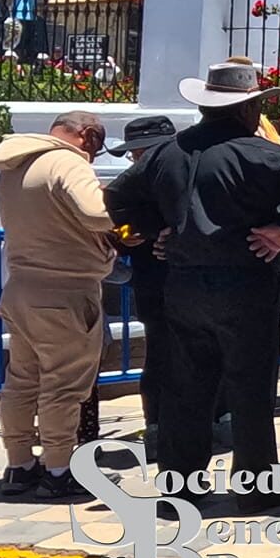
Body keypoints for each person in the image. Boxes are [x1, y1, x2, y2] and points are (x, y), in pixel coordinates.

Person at [104, 62, 280, 508]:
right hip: (246, 284)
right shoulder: (261, 153)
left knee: (185, 389)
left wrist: (157, 228)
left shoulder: (168, 152)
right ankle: (256, 487)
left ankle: (180, 489)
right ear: (247, 108)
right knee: (250, 388)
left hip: (183, 285)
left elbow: (117, 196)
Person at [0, 109, 113, 500]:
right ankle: (58, 470)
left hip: (21, 287)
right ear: (88, 136)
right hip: (65, 291)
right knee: (63, 384)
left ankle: (19, 464)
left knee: (21, 381)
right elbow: (98, 214)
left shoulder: (14, 164)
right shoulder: (67, 161)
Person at [106, 114, 179, 458]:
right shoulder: (130, 185)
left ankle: (214, 421)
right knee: (160, 356)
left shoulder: (185, 174)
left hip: (191, 280)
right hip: (154, 283)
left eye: (141, 152)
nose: (136, 160)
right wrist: (130, 236)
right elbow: (116, 226)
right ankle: (156, 427)